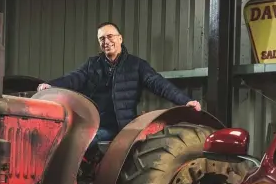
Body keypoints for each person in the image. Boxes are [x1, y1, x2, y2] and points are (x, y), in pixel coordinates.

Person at [37, 22, 202, 151]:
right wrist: (50, 85)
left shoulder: (136, 65)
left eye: (110, 36)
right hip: (94, 122)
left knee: (81, 141)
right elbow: (73, 78)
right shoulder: (92, 65)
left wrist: (185, 101)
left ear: (120, 39)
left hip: (120, 126)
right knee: (62, 138)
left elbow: (159, 84)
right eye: (102, 39)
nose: (106, 42)